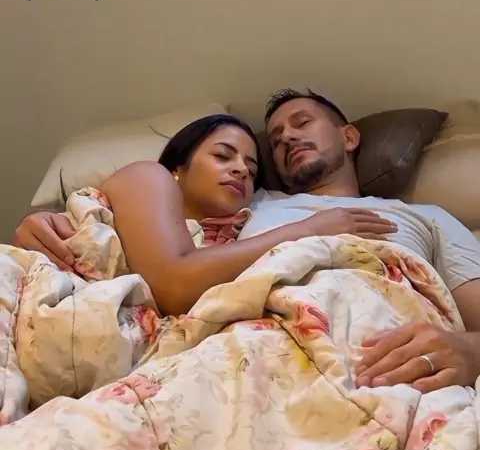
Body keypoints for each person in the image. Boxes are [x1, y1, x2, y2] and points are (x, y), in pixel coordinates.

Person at [14, 95, 480, 392]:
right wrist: (52, 222)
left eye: (302, 122)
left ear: (350, 136)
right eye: (275, 139)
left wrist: (470, 351)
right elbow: (161, 243)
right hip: (246, 356)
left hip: (385, 356)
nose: (287, 137)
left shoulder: (427, 217)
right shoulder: (243, 206)